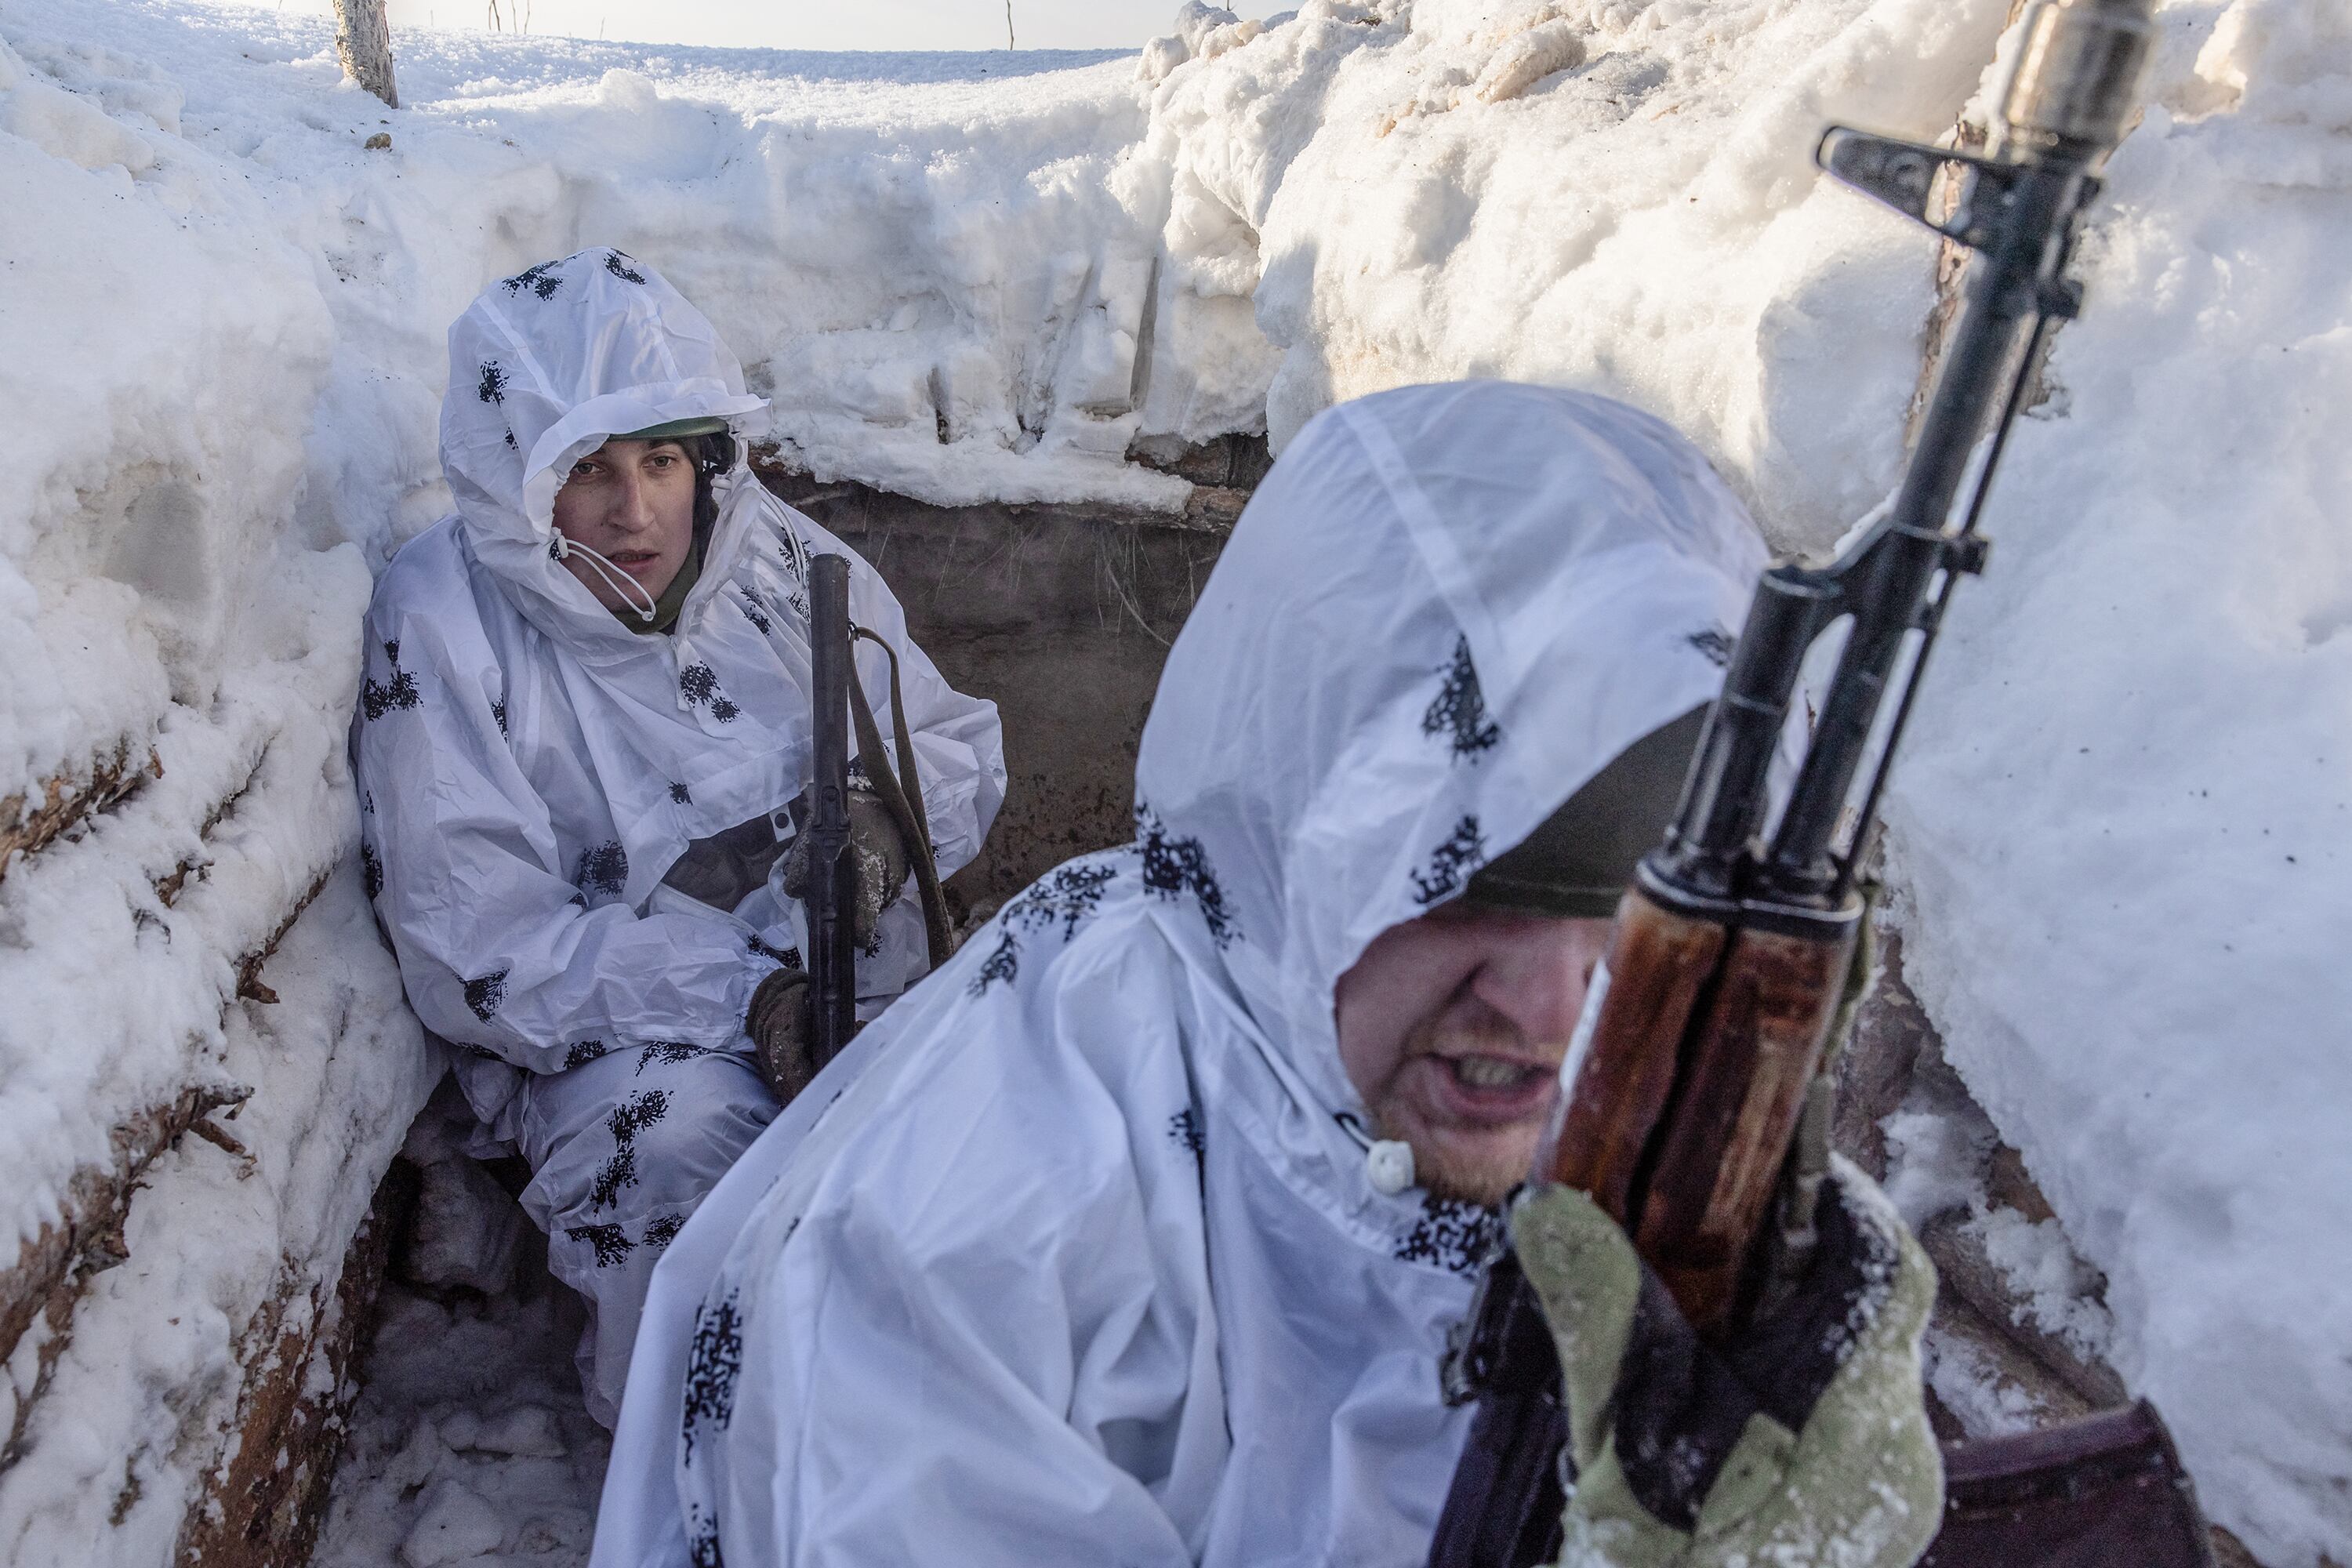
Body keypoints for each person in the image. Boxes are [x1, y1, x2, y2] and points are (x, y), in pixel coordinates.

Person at [590, 381, 1939, 1566]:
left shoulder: (1648, 1104)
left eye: (1635, 914)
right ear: (1286, 848)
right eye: (1451, 883)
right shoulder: (952, 1269)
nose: (1546, 1012)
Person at [351, 249, 1005, 1425]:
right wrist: (747, 998)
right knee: (691, 1149)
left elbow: (948, 739)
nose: (638, 508)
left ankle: (919, 1459)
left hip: (861, 981)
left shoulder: (778, 559)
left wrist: (882, 835)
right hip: (624, 1037)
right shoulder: (447, 619)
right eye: (588, 469)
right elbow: (482, 948)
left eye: (662, 459)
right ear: (516, 474)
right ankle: (691, 1468)